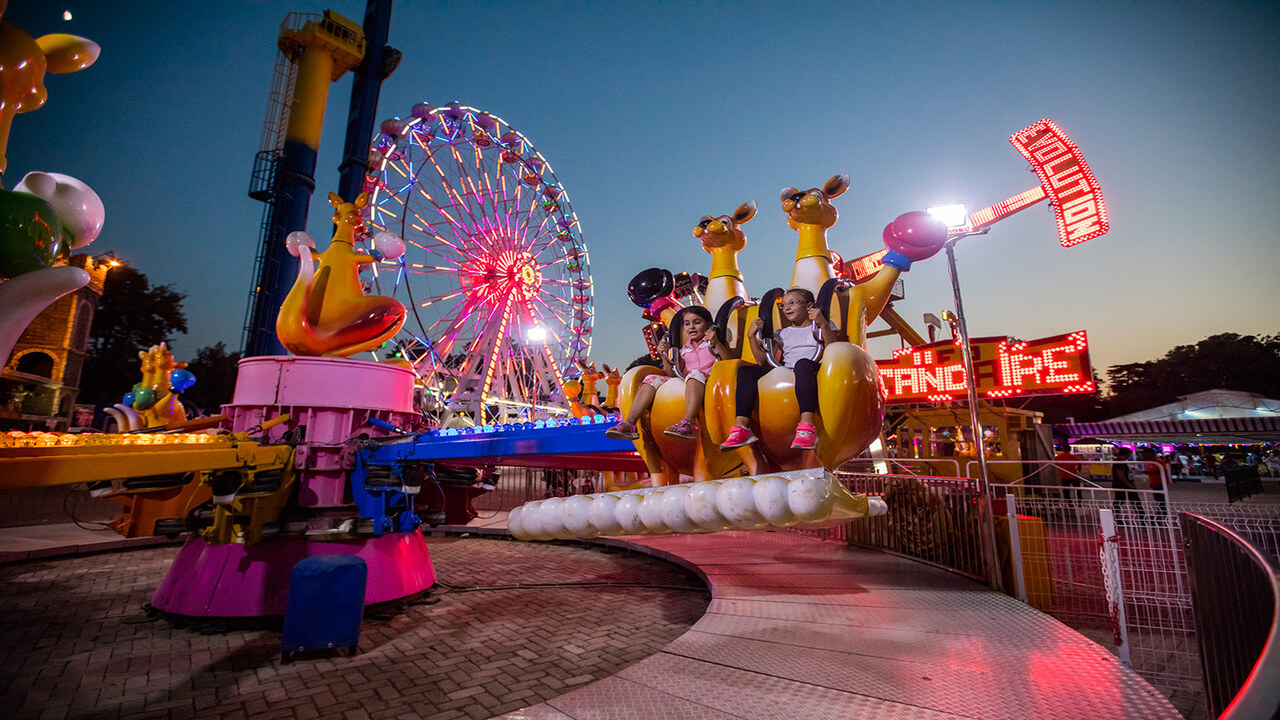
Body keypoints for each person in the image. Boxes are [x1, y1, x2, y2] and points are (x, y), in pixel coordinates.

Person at [721, 287, 835, 451]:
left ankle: (807, 425)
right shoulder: (782, 333)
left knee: (802, 364)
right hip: (788, 371)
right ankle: (742, 428)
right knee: (746, 371)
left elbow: (833, 350)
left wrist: (823, 324)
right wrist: (751, 337)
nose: (787, 308)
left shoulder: (821, 326)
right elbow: (762, 361)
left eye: (793, 303)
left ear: (809, 306)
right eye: (784, 305)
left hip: (813, 368)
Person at [605, 306, 726, 440]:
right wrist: (664, 354)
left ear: (708, 325)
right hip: (690, 380)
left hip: (711, 378)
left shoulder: (712, 342)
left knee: (695, 373)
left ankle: (689, 422)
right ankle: (630, 424)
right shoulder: (684, 349)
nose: (691, 327)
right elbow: (672, 374)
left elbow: (729, 361)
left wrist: (717, 343)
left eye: (697, 322)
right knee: (650, 378)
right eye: (687, 324)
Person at [1111, 447, 1145, 518]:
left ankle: (1115, 517)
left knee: (1119, 501)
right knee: (1134, 501)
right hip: (1123, 485)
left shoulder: (1119, 461)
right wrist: (1129, 485)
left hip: (1120, 484)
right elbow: (1120, 475)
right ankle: (1142, 517)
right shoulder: (1120, 462)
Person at [1140, 448, 1168, 515]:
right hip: (1153, 482)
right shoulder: (1151, 461)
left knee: (1160, 498)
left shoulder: (1158, 461)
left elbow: (1164, 471)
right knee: (1157, 498)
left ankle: (1163, 511)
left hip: (1159, 482)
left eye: (1146, 453)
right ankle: (1161, 511)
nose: (1145, 455)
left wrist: (1150, 472)